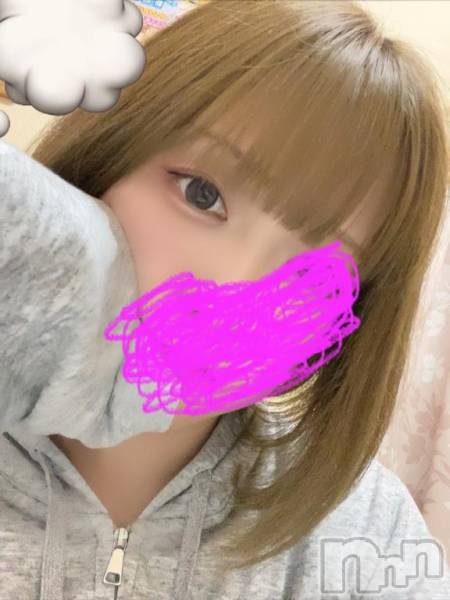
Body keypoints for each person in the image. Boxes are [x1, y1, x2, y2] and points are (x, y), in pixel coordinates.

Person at [1, 0, 450, 598]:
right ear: (102, 164)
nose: (234, 287)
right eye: (202, 193)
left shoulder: (369, 532)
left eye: (313, 273)